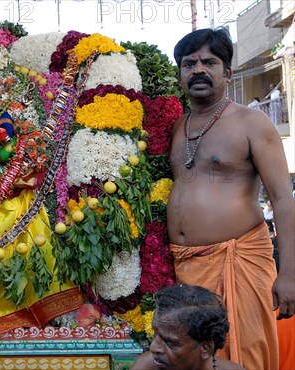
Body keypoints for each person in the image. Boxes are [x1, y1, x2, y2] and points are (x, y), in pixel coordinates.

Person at [167, 28, 294, 369]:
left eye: (210, 62)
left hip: (239, 261)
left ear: (228, 71)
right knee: (195, 356)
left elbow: (283, 199)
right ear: (179, 72)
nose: (198, 70)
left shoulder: (252, 122)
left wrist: (290, 274)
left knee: (246, 354)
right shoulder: (178, 126)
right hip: (189, 267)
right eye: (189, 63)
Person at [130, 284, 245, 370]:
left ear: (206, 348)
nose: (153, 347)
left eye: (170, 342)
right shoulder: (144, 365)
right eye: (155, 333)